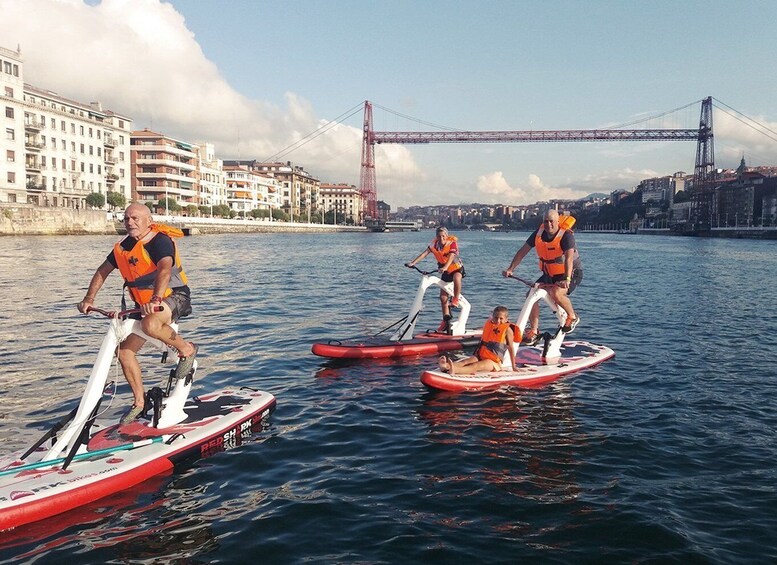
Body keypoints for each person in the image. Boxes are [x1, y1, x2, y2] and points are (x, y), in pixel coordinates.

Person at [77, 203, 197, 425]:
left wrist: (155, 299)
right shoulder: (124, 247)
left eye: (135, 218)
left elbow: (164, 269)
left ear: (148, 220)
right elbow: (102, 271)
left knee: (150, 325)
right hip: (144, 306)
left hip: (174, 297)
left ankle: (186, 350)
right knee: (124, 352)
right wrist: (89, 299)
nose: (129, 222)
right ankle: (140, 403)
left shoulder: (159, 241)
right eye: (126, 219)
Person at [502, 209, 583, 344]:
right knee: (531, 295)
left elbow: (569, 259)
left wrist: (567, 279)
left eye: (551, 221)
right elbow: (522, 252)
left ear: (557, 221)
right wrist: (511, 269)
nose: (549, 224)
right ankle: (534, 331)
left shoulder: (566, 236)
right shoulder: (538, 234)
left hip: (571, 272)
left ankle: (572, 316)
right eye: (546, 221)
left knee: (556, 293)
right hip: (549, 274)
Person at [405, 226, 465, 333]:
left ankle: (455, 299)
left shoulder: (452, 243)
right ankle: (445, 320)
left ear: (447, 236)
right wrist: (413, 263)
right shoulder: (434, 245)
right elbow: (424, 253)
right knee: (443, 297)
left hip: (455, 268)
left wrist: (446, 267)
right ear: (436, 237)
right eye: (439, 236)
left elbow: (451, 256)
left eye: (443, 236)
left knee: (457, 278)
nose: (441, 238)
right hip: (444, 271)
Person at [438, 306, 518, 375]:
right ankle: (445, 366)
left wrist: (513, 366)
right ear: (492, 316)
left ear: (506, 319)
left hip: (493, 362)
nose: (498, 321)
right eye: (496, 318)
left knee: (475, 366)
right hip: (481, 355)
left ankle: (455, 370)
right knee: (465, 362)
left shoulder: (508, 330)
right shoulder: (490, 324)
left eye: (501, 318)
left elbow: (510, 348)